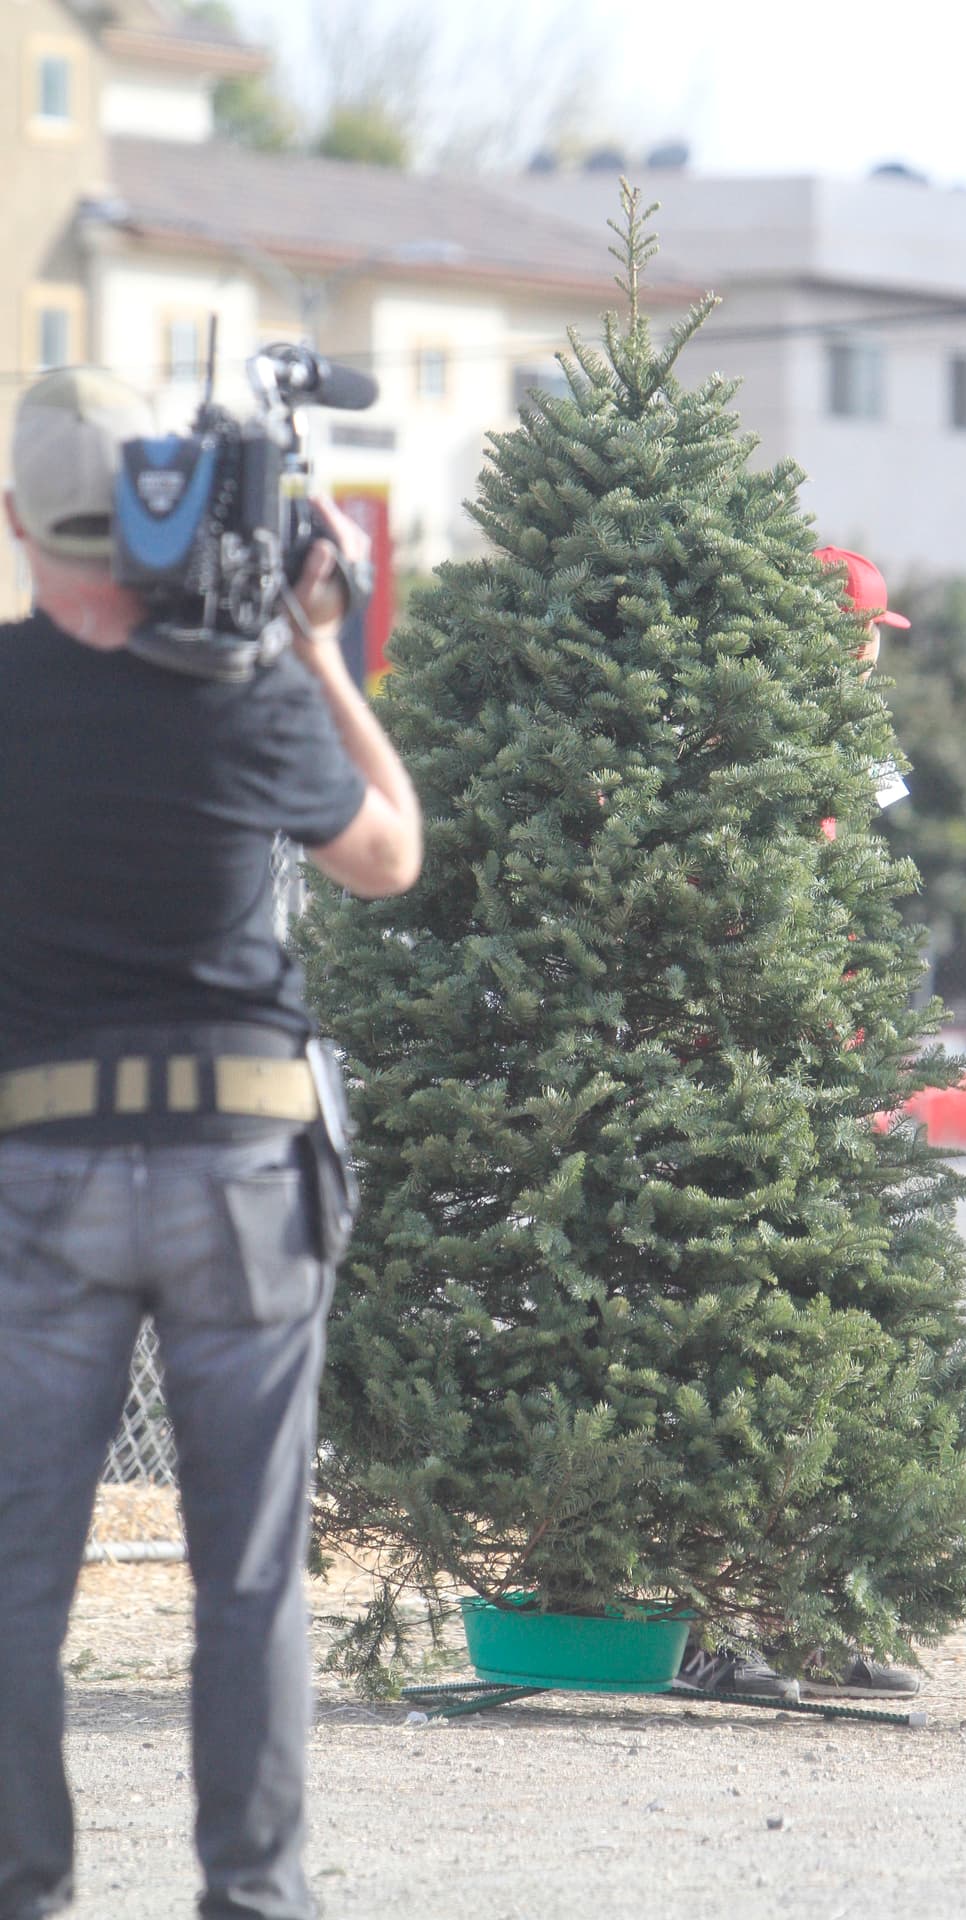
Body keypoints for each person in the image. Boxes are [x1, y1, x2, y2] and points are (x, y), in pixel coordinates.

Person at [0, 367, 422, 1920]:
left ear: (18, 525)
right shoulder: (244, 692)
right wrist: (314, 638)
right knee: (246, 1577)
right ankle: (254, 1898)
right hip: (244, 1168)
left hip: (35, 1174)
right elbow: (390, 851)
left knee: (13, 1582)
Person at [673, 545, 918, 1706]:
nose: (875, 660)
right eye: (867, 635)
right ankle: (692, 1628)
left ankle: (804, 1622)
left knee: (817, 1363)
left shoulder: (850, 750)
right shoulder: (739, 749)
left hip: (829, 1077)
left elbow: (864, 890)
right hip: (750, 1083)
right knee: (729, 1359)